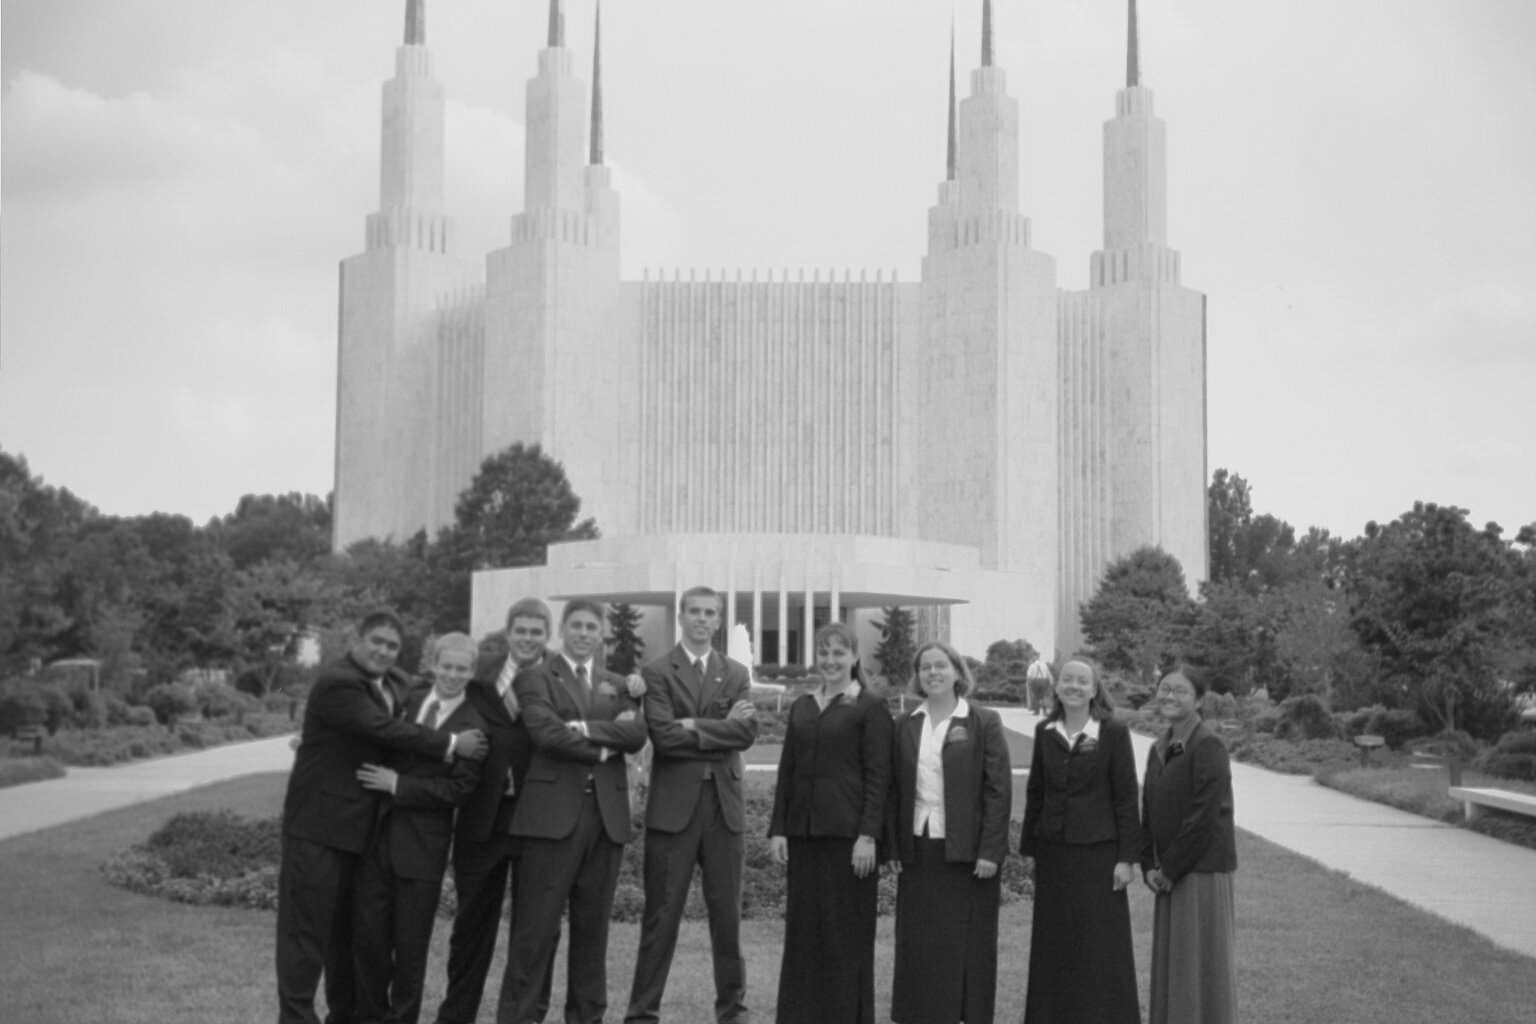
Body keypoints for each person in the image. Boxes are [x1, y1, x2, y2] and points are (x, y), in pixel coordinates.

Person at [275, 610, 488, 1024]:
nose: (383, 651)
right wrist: (450, 744)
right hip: (317, 829)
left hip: (362, 837)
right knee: (305, 937)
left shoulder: (396, 684)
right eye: (377, 641)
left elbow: (450, 687)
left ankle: (346, 1016)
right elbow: (383, 730)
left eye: (392, 646)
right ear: (357, 639)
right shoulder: (339, 683)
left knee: (345, 941)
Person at [496, 599, 649, 1024]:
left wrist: (583, 731)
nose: (583, 633)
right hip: (550, 818)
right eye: (576, 625)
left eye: (591, 627)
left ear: (601, 634)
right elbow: (545, 733)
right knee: (534, 932)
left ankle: (587, 1017)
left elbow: (636, 733)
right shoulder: (535, 677)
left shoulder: (618, 683)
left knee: (592, 932)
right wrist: (606, 744)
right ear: (563, 629)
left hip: (606, 818)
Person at [625, 586, 757, 1024]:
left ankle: (732, 1012)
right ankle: (642, 1014)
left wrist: (693, 726)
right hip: (673, 810)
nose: (702, 619)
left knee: (727, 920)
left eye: (710, 613)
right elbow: (663, 736)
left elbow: (747, 734)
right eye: (695, 612)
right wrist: (717, 730)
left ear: (719, 620)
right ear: (681, 617)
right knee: (660, 918)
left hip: (724, 808)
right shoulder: (658, 671)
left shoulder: (736, 673)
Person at [352, 632, 488, 1024]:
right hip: (377, 839)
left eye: (462, 669)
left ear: (472, 672)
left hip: (422, 849)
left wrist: (398, 786)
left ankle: (403, 1018)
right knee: (370, 941)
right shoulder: (405, 702)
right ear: (433, 665)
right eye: (446, 666)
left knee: (410, 949)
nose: (452, 675)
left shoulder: (474, 727)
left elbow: (459, 790)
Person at [433, 599, 556, 1024]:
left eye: (536, 632)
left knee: (537, 932)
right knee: (471, 929)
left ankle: (523, 1017)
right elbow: (432, 690)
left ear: (547, 637)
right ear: (508, 632)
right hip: (481, 819)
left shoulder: (558, 677)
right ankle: (456, 1015)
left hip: (538, 822)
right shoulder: (478, 671)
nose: (527, 639)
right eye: (520, 630)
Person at [768, 621, 893, 1024]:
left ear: (855, 657)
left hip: (849, 842)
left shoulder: (870, 707)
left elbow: (880, 777)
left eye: (839, 653)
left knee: (844, 938)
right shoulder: (803, 706)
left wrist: (868, 836)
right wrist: (779, 829)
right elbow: (788, 771)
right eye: (823, 652)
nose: (830, 660)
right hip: (804, 839)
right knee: (805, 936)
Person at [887, 642, 1012, 1024]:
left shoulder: (983, 721)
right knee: (920, 942)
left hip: (969, 852)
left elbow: (998, 789)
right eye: (926, 667)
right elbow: (894, 789)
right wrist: (893, 847)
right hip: (919, 848)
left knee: (968, 942)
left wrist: (991, 851)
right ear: (918, 676)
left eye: (941, 665)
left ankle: (967, 1014)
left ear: (958, 672)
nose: (933, 673)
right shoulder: (905, 723)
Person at [1018, 658, 1140, 1024]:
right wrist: (1029, 849)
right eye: (1066, 679)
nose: (1073, 686)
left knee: (1098, 944)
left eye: (1081, 681)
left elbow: (1125, 796)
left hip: (1099, 855)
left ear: (1094, 689)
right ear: (1056, 687)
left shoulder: (1113, 733)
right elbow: (1036, 791)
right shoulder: (1044, 731)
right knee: (1054, 943)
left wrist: (1127, 858)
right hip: (1053, 853)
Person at [1141, 665, 1238, 1024]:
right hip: (1167, 873)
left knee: (1200, 963)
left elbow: (1204, 816)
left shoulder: (1208, 745)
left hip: (1200, 872)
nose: (1169, 696)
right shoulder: (1159, 747)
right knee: (1175, 962)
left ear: (1198, 700)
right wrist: (1149, 865)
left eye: (1180, 691)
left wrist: (1169, 869)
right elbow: (1148, 811)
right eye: (1165, 689)